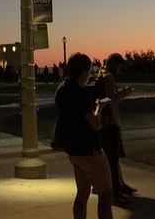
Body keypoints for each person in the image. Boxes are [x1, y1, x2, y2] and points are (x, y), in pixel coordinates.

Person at [54, 52, 113, 219]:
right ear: (84, 72)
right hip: (88, 150)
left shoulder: (62, 89)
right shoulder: (79, 93)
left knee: (82, 194)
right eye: (89, 72)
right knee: (106, 194)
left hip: (73, 149)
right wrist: (99, 108)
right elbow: (94, 124)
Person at [96, 53, 136, 203]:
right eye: (119, 65)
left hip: (104, 123)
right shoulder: (108, 77)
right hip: (110, 123)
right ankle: (116, 192)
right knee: (112, 159)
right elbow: (110, 99)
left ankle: (120, 184)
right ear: (113, 63)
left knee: (111, 158)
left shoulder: (100, 73)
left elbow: (106, 98)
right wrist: (125, 92)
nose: (120, 68)